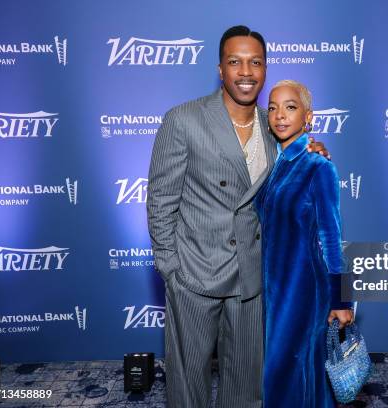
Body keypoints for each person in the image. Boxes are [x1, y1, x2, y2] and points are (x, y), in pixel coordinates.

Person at [146, 27, 328, 408]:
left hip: (251, 276)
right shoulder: (184, 119)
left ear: (265, 69)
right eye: (235, 61)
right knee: (187, 384)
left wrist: (314, 150)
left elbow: (296, 176)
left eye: (255, 62)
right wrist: (171, 269)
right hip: (194, 274)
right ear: (220, 68)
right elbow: (161, 199)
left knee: (247, 387)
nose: (246, 71)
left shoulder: (273, 124)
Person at [254, 80, 354, 408]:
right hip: (274, 290)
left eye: (290, 107)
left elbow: (331, 237)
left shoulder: (318, 166)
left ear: (307, 116)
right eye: (273, 107)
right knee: (289, 375)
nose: (280, 115)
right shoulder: (275, 164)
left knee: (290, 375)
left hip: (304, 292)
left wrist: (342, 300)